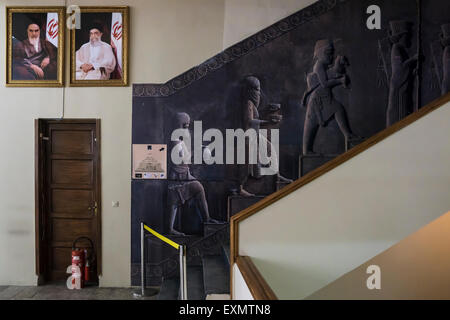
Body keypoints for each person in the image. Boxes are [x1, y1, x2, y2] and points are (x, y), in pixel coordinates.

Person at [168, 112, 221, 236]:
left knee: (193, 191)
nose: (187, 129)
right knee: (191, 191)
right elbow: (182, 158)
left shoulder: (178, 139)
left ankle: (206, 219)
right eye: (185, 126)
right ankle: (171, 228)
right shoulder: (175, 139)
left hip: (183, 173)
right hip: (178, 176)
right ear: (179, 124)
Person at [301, 39, 356, 155]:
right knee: (311, 124)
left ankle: (348, 135)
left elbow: (330, 74)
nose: (331, 56)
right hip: (318, 99)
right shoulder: (319, 66)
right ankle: (307, 150)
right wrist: (340, 81)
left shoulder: (324, 67)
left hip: (326, 97)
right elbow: (325, 83)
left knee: (339, 109)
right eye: (328, 53)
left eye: (332, 53)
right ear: (320, 53)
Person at [386, 21, 418, 127]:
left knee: (404, 108)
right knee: (397, 110)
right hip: (398, 86)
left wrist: (412, 73)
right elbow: (399, 69)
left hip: (402, 85)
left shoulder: (400, 49)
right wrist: (413, 59)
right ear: (400, 37)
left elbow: (404, 68)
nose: (408, 39)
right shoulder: (396, 49)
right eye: (407, 36)